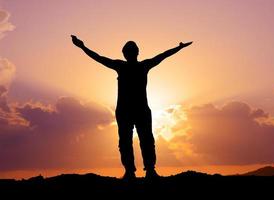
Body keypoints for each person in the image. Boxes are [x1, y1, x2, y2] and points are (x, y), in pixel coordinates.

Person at [71, 35, 192, 180]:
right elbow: (99, 58)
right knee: (130, 141)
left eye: (130, 52)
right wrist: (82, 47)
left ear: (132, 53)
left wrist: (178, 48)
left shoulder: (132, 66)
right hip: (127, 111)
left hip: (136, 110)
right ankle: (133, 171)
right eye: (128, 52)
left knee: (142, 140)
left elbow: (163, 55)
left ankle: (146, 170)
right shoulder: (131, 66)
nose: (129, 54)